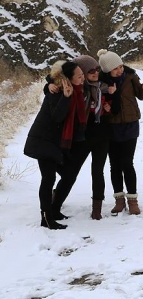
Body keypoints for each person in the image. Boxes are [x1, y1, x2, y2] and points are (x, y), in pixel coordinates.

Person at [48, 55, 112, 220]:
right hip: (81, 138)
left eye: (97, 69)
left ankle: (97, 207)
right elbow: (56, 78)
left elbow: (120, 71)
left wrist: (110, 106)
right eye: (90, 71)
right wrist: (48, 85)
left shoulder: (103, 84)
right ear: (82, 72)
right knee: (71, 172)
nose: (95, 73)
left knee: (98, 172)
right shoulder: (76, 86)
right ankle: (56, 201)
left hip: (102, 135)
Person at [23, 60, 84, 229]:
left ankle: (54, 210)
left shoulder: (73, 90)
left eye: (82, 74)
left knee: (69, 174)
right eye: (79, 76)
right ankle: (46, 218)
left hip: (56, 143)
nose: (83, 78)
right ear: (68, 79)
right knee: (48, 178)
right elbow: (57, 117)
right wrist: (64, 96)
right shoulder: (56, 92)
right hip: (43, 141)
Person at [97, 49, 143, 215]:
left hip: (130, 125)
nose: (120, 70)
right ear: (107, 71)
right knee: (114, 164)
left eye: (120, 66)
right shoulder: (102, 83)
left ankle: (133, 200)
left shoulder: (130, 77)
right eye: (115, 68)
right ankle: (119, 199)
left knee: (127, 163)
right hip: (111, 127)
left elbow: (141, 96)